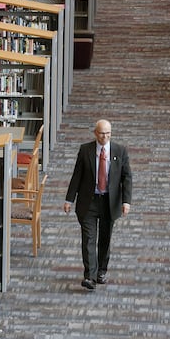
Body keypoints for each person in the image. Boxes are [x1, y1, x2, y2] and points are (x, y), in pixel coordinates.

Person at [63, 119, 132, 290]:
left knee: (105, 239)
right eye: (102, 133)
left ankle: (101, 270)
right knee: (88, 239)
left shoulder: (120, 151)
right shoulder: (85, 150)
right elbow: (77, 175)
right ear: (95, 133)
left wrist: (126, 201)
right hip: (89, 202)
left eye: (108, 133)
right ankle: (90, 276)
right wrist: (69, 199)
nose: (105, 136)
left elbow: (127, 177)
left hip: (110, 201)